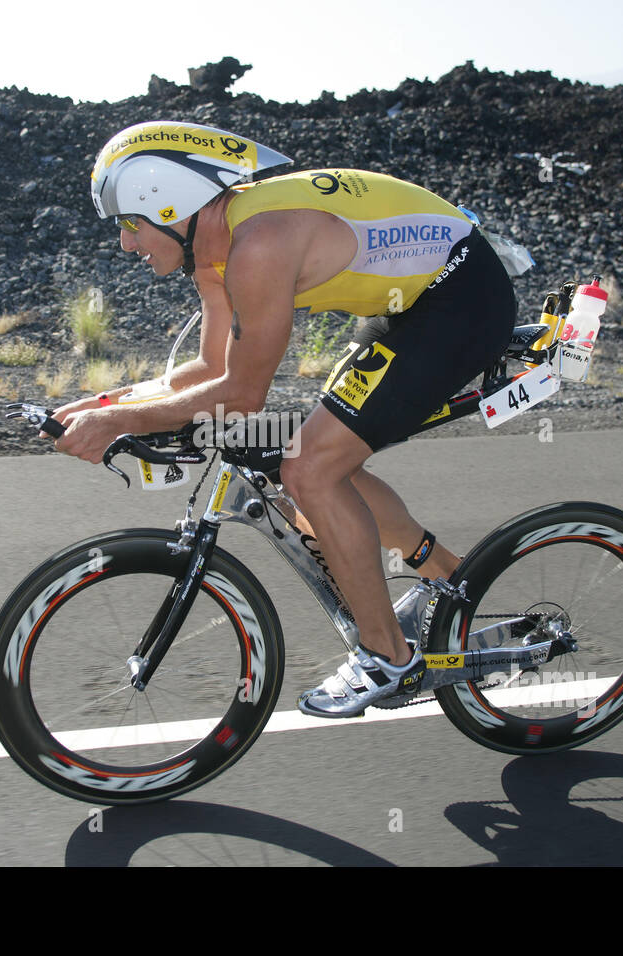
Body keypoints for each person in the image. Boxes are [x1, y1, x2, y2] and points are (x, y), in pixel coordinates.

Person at [50, 121, 516, 717]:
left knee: (310, 469)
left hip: (461, 299)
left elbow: (240, 396)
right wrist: (109, 406)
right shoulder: (214, 252)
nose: (124, 243)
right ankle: (449, 582)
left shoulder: (258, 247)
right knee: (296, 457)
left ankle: (389, 659)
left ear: (167, 202)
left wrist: (120, 426)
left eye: (128, 224)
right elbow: (209, 370)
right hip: (408, 303)